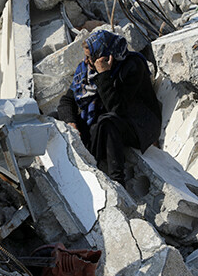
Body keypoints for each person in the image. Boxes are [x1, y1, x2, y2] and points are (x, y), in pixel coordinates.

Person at [57, 29, 161, 184]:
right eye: (86, 57)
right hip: (103, 118)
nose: (86, 62)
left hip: (138, 123)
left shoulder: (132, 66)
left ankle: (118, 182)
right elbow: (67, 100)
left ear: (106, 57)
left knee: (108, 122)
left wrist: (104, 75)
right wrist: (70, 122)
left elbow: (117, 108)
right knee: (55, 119)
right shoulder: (86, 71)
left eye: (90, 57)